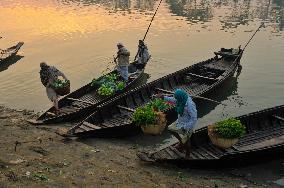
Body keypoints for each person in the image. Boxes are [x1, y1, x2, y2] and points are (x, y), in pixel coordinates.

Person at [157, 89, 197, 157]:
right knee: (170, 129)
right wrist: (163, 97)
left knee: (186, 140)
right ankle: (181, 143)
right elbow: (173, 100)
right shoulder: (180, 100)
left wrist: (185, 127)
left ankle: (187, 154)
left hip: (187, 125)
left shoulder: (190, 105)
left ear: (180, 98)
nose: (176, 100)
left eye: (177, 98)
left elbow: (194, 119)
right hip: (180, 121)